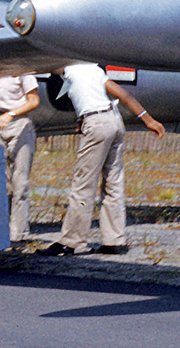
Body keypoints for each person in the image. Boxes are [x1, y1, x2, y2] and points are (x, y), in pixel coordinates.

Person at [43, 63, 165, 256]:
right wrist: (148, 120)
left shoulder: (69, 69)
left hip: (96, 124)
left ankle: (72, 241)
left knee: (83, 184)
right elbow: (124, 95)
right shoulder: (94, 69)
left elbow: (51, 65)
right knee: (113, 183)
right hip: (114, 121)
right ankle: (113, 240)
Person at [0, 74, 40, 242]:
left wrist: (11, 113)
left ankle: (18, 233)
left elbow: (33, 101)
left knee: (20, 181)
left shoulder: (24, 72)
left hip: (18, 122)